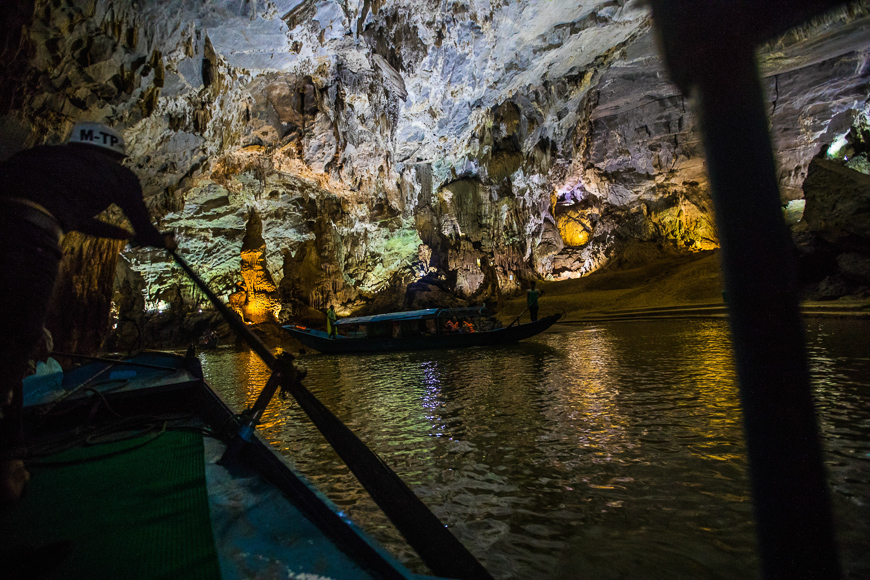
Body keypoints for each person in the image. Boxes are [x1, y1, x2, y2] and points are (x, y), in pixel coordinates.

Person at [0, 121, 176, 502]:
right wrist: (158, 240)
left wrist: (121, 237)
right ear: (114, 154)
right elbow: (145, 232)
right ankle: (8, 471)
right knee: (14, 349)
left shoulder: (40, 160)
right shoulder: (117, 173)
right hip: (33, 242)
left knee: (9, 340)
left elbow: (78, 218)